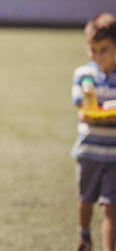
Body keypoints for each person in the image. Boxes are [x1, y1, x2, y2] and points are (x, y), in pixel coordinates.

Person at [72, 13, 116, 251]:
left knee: (111, 207)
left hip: (114, 154)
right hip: (89, 151)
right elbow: (83, 113)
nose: (98, 56)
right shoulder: (83, 75)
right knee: (86, 200)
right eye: (93, 50)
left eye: (104, 49)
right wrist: (102, 113)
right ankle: (84, 235)